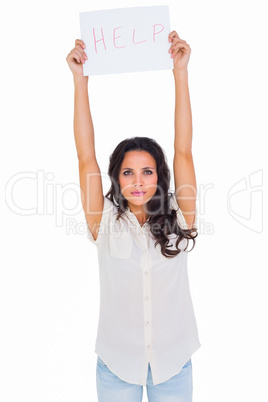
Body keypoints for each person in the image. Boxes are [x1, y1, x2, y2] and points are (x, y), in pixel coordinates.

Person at [66, 30, 201, 402]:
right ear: (116, 178)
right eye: (128, 172)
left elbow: (184, 150)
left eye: (147, 171)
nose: (138, 181)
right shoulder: (104, 220)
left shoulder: (179, 214)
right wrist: (80, 82)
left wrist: (180, 73)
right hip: (116, 366)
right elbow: (85, 157)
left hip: (173, 365)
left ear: (160, 176)